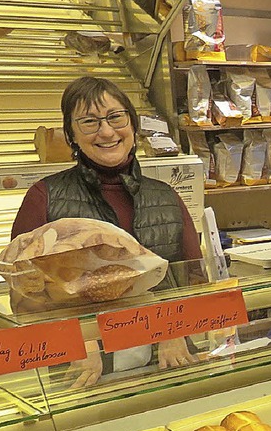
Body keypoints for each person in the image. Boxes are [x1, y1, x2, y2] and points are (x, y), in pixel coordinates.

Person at [12, 76, 203, 387]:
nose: (106, 131)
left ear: (132, 123)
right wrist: (77, 340)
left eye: (116, 117)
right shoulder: (44, 197)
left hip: (164, 365)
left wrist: (174, 329)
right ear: (71, 135)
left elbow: (192, 281)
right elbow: (24, 294)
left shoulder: (166, 196)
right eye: (89, 122)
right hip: (82, 372)